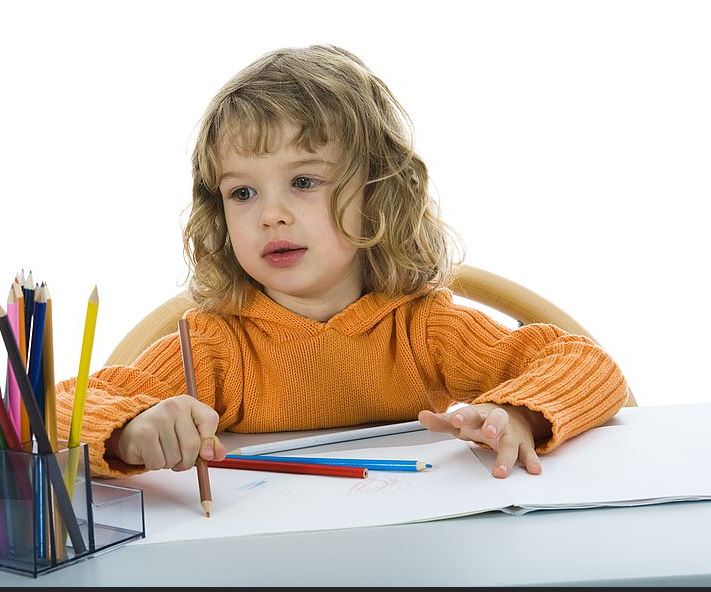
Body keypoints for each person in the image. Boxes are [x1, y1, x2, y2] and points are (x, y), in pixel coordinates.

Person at [56, 45, 627, 480]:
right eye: (242, 193)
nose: (270, 216)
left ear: (378, 193)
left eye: (303, 182)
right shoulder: (214, 347)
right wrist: (129, 432)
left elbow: (590, 367)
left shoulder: (425, 328)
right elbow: (52, 410)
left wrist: (517, 414)